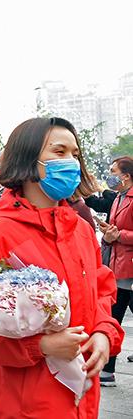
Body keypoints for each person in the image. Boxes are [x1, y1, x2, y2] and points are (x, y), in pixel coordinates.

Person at [0, 117, 124, 418]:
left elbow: (102, 289)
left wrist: (104, 331)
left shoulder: (80, 228)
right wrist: (43, 346)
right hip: (29, 401)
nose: (71, 162)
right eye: (59, 152)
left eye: (75, 154)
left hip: (84, 394)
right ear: (28, 160)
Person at [99, 156, 133, 386]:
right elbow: (116, 228)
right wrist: (109, 234)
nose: (110, 175)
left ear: (126, 175)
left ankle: (107, 369)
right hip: (118, 266)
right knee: (113, 317)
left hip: (128, 266)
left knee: (114, 316)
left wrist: (118, 235)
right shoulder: (119, 198)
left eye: (113, 171)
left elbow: (123, 231)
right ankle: (108, 370)